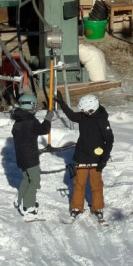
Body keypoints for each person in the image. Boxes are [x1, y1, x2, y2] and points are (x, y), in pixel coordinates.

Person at [54, 92, 114, 221]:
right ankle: (77, 207)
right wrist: (62, 103)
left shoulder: (102, 121)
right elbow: (71, 116)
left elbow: (109, 141)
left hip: (96, 158)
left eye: (84, 111)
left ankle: (98, 207)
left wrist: (104, 159)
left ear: (92, 109)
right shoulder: (83, 117)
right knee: (79, 183)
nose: (82, 113)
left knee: (96, 184)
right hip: (82, 155)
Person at [10, 92, 54, 220]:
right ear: (30, 106)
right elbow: (43, 130)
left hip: (22, 156)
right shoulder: (30, 120)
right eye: (35, 105)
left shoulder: (18, 121)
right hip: (30, 157)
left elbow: (25, 137)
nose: (36, 108)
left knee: (26, 178)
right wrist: (48, 119)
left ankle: (20, 200)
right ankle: (28, 208)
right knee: (34, 181)